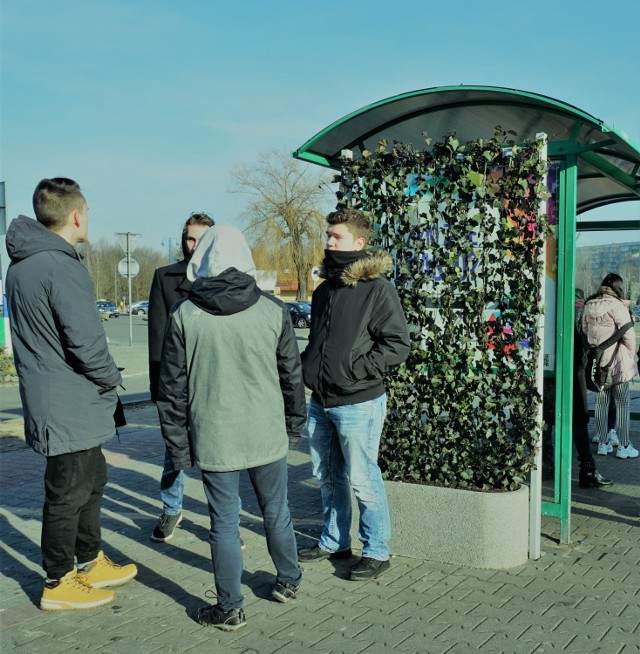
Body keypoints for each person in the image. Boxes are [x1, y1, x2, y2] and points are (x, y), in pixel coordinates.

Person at [156, 224, 305, 631]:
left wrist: (178, 446)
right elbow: (291, 377)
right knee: (277, 511)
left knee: (223, 522)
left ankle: (230, 607)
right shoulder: (274, 310)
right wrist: (294, 426)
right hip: (266, 432)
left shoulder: (184, 314)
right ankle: (288, 582)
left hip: (215, 434)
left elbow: (171, 391)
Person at [5, 178, 137, 611]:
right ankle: (58, 581)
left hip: (59, 398)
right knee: (67, 492)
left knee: (91, 480)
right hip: (68, 401)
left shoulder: (22, 264)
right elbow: (85, 340)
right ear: (77, 215)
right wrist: (109, 378)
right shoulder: (61, 266)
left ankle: (89, 560)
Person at [298, 208, 410, 581]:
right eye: (328, 235)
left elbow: (396, 345)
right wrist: (307, 368)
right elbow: (318, 341)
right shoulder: (324, 290)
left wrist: (353, 372)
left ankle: (377, 550)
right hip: (321, 400)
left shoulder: (378, 289)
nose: (329, 242)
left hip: (359, 401)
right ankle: (334, 541)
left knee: (363, 478)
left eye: (337, 237)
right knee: (327, 475)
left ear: (359, 244)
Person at [148, 212, 214, 542]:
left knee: (219, 452)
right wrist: (157, 388)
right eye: (190, 238)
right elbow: (157, 336)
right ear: (182, 240)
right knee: (172, 450)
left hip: (213, 381)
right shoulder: (164, 278)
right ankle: (172, 509)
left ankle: (223, 518)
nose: (195, 244)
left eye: (202, 238)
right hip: (175, 383)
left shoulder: (225, 277)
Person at [582, 273, 638, 459]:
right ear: (618, 287)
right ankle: (623, 445)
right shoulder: (618, 306)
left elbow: (584, 331)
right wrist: (628, 356)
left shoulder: (589, 305)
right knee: (622, 402)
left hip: (599, 362)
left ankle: (603, 443)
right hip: (618, 361)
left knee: (601, 402)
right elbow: (629, 336)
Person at [573, 289, 612, 487]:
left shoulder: (553, 305)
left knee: (549, 419)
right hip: (576, 370)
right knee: (579, 420)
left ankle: (547, 465)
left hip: (552, 370)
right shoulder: (582, 308)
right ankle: (587, 469)